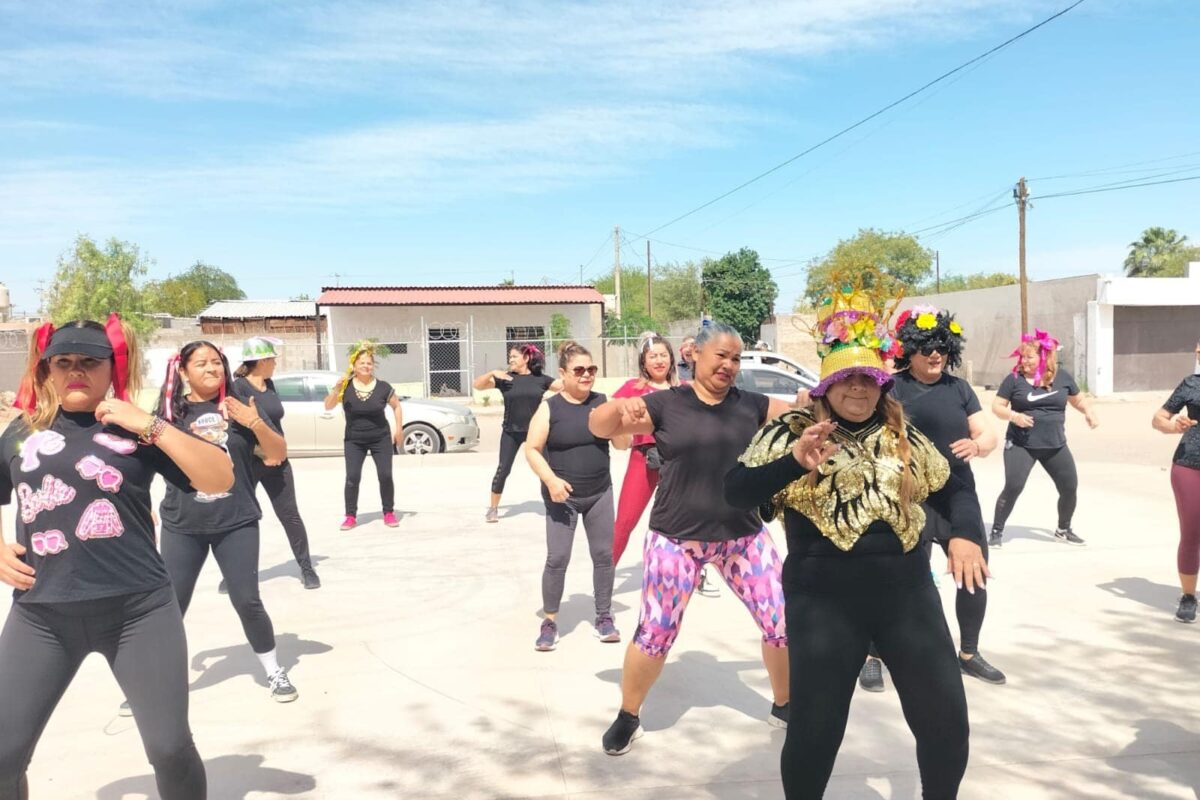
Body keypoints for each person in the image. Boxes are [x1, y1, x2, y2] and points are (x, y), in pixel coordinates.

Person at [724, 280, 989, 799]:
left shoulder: (904, 434)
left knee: (947, 724)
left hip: (908, 597)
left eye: (868, 379)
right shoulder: (791, 431)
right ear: (825, 384)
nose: (858, 390)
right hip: (823, 599)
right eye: (846, 379)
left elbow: (956, 487)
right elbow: (735, 491)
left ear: (882, 383)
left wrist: (965, 537)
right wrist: (791, 463)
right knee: (815, 733)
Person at [0, 316, 231, 799]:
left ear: (111, 368)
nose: (75, 371)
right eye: (62, 362)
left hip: (138, 613)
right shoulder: (22, 433)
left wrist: (149, 424)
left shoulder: (137, 429)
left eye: (89, 361)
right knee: (3, 755)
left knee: (169, 748)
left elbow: (219, 479)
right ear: (47, 370)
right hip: (42, 617)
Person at [588, 322, 793, 756]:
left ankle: (785, 704)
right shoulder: (667, 403)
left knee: (782, 622)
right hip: (676, 538)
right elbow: (604, 424)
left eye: (736, 358)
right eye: (721, 355)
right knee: (656, 631)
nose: (729, 365)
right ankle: (628, 715)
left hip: (743, 535)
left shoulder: (750, 404)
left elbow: (800, 409)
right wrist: (614, 411)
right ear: (694, 354)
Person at [858, 307, 1004, 691]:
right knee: (894, 583)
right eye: (925, 348)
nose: (934, 354)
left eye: (941, 347)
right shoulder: (892, 387)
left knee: (974, 576)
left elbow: (988, 435)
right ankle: (872, 654)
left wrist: (978, 445)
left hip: (957, 499)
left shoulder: (959, 389)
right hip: (909, 499)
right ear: (910, 350)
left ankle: (968, 654)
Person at [156, 340, 299, 703]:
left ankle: (273, 670)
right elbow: (142, 464)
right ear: (183, 371)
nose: (211, 368)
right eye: (201, 363)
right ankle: (155, 681)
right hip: (182, 525)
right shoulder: (169, 414)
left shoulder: (239, 405)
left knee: (247, 600)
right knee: (170, 605)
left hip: (236, 520)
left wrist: (254, 422)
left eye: (217, 362)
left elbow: (278, 453)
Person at [525, 342, 629, 650]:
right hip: (562, 497)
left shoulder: (602, 401)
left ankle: (604, 616)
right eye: (579, 370)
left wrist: (617, 420)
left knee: (603, 556)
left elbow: (623, 445)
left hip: (599, 492)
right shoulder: (550, 407)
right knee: (557, 558)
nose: (587, 376)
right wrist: (551, 481)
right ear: (563, 373)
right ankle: (550, 621)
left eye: (592, 370)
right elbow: (531, 449)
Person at [990, 329, 1098, 546]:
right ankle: (996, 531)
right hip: (1021, 444)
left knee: (1069, 487)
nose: (1024, 361)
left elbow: (1077, 400)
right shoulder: (1013, 380)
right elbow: (996, 407)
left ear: (1044, 357)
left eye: (1029, 357)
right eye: (1022, 357)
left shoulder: (1063, 377)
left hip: (1055, 445)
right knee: (1013, 486)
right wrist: (1014, 416)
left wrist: (1089, 412)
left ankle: (1063, 529)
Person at [233, 336, 320, 589]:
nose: (274, 364)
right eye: (272, 359)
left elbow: (273, 421)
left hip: (278, 460)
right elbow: (241, 423)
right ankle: (239, 574)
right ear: (261, 361)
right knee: (244, 518)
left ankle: (306, 568)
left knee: (290, 515)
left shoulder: (269, 385)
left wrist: (276, 451)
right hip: (250, 462)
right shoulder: (238, 387)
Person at [611, 333, 677, 565]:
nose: (659, 361)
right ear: (643, 361)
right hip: (643, 459)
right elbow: (610, 415)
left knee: (687, 520)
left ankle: (697, 573)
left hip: (679, 463)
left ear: (671, 358)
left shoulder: (685, 389)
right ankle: (605, 575)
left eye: (663, 355)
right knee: (625, 521)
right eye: (652, 356)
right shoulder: (632, 388)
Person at [324, 342, 404, 531]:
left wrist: (398, 429)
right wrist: (336, 389)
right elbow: (328, 405)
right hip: (354, 440)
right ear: (354, 365)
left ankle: (388, 512)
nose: (366, 366)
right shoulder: (345, 386)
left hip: (380, 438)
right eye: (362, 363)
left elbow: (397, 405)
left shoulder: (383, 387)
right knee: (352, 477)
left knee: (385, 475)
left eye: (369, 363)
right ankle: (350, 516)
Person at [474, 344, 557, 523]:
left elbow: (564, 387)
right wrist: (491, 373)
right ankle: (493, 508)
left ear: (526, 359)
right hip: (511, 432)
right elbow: (478, 386)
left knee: (546, 468)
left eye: (514, 357)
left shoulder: (541, 379)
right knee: (503, 469)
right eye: (509, 357)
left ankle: (553, 505)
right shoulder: (505, 379)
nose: (510, 360)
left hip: (535, 432)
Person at [1152, 339, 1200, 623]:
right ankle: (1188, 596)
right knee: (1192, 533)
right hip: (1188, 465)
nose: (1196, 352)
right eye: (1196, 348)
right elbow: (1158, 418)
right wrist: (1173, 426)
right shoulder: (1191, 384)